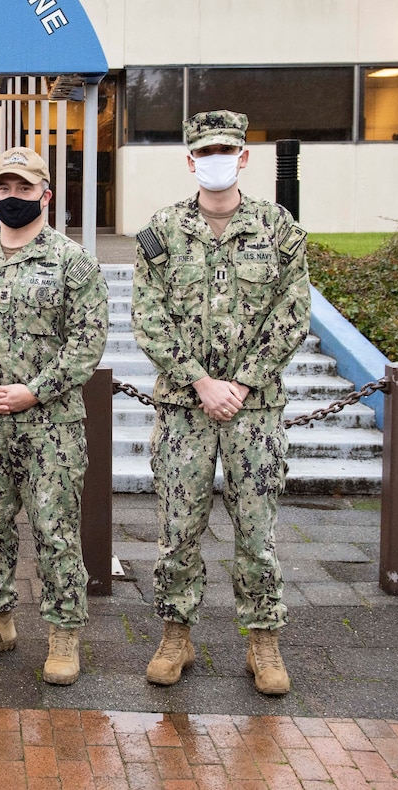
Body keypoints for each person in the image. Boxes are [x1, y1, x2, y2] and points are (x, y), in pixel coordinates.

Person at [130, 110, 310, 696]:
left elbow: (293, 313)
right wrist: (202, 381)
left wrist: (244, 381)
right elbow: (148, 318)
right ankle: (175, 633)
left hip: (254, 413)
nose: (215, 158)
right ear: (190, 161)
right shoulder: (162, 231)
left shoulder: (278, 229)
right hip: (185, 408)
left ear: (244, 157)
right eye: (204, 150)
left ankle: (263, 641)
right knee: (178, 528)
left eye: (225, 149)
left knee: (257, 533)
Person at [0, 147, 109, 686]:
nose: (14, 197)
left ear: (46, 195)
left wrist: (34, 391)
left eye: (24, 188)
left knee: (55, 531)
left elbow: (87, 342)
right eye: (4, 188)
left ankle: (63, 636)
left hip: (50, 426)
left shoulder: (73, 261)